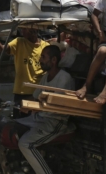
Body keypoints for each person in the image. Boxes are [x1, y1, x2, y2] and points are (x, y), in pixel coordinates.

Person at [17, 45, 75, 174]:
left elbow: (56, 105)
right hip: (40, 118)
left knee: (25, 144)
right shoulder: (45, 77)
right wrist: (23, 104)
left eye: (43, 57)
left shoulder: (64, 78)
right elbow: (35, 97)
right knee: (14, 126)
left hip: (55, 121)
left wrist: (35, 108)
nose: (40, 60)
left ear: (53, 60)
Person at [0, 26, 50, 118]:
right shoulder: (19, 42)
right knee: (19, 122)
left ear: (34, 30)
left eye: (25, 29)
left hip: (38, 94)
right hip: (21, 92)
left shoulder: (45, 46)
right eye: (22, 29)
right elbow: (3, 50)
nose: (22, 32)